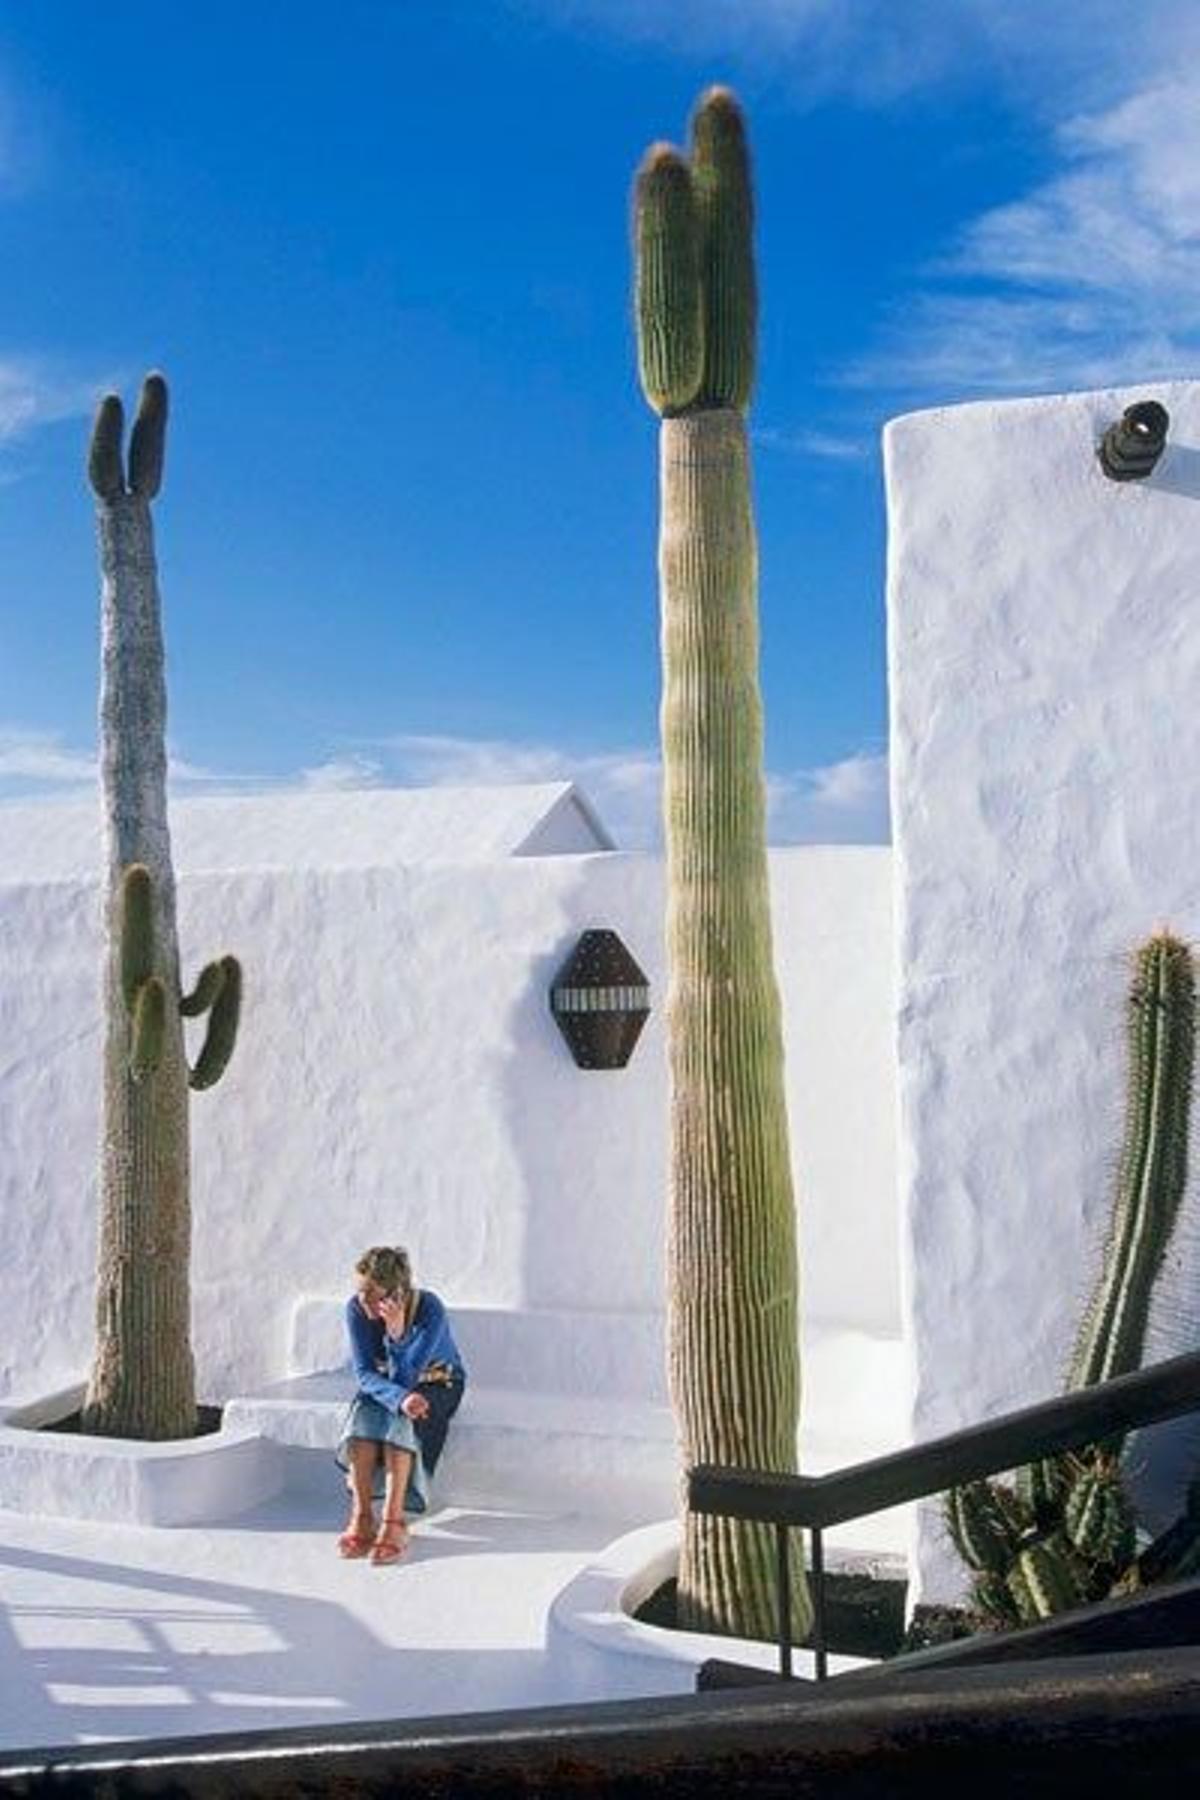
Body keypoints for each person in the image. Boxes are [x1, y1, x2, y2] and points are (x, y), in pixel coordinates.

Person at [335, 1245, 467, 1564]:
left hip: (438, 1382)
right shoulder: (356, 1310)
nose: (363, 1301)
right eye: (360, 1291)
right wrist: (400, 1397)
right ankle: (363, 1516)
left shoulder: (429, 1308)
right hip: (387, 1385)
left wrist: (396, 1336)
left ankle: (394, 1523)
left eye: (372, 1294)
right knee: (363, 1414)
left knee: (402, 1419)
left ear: (397, 1292)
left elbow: (408, 1376)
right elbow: (365, 1373)